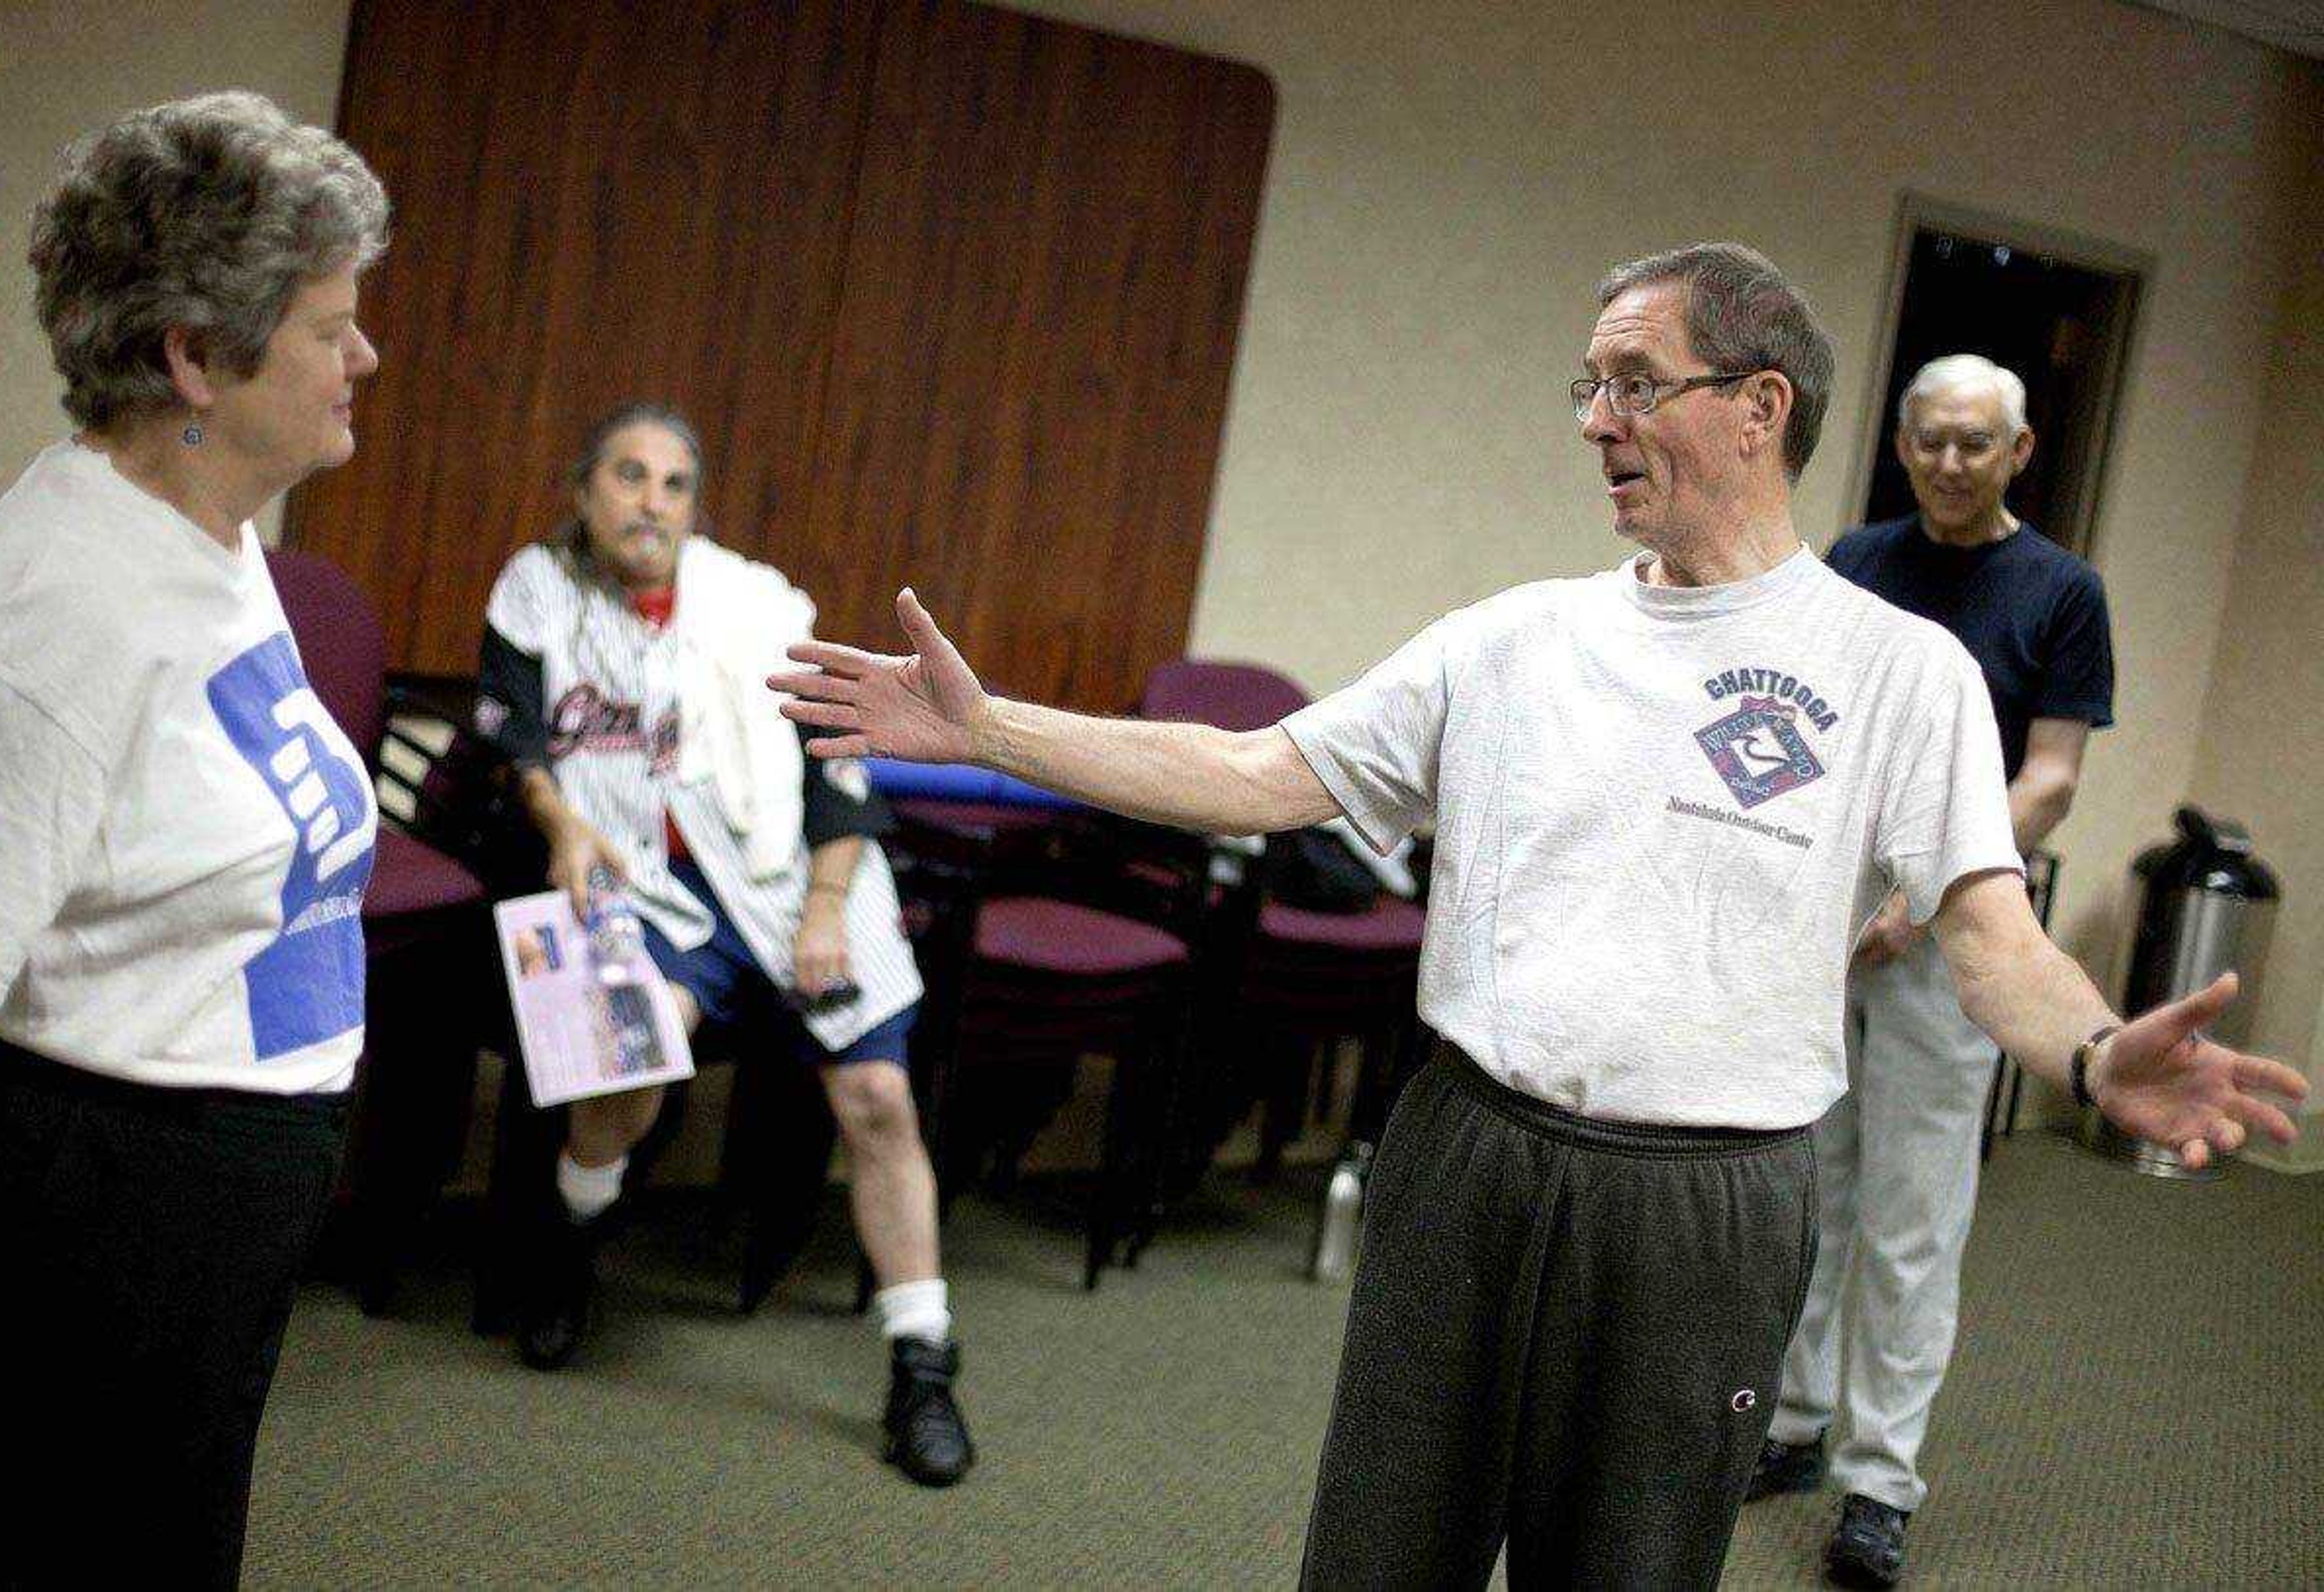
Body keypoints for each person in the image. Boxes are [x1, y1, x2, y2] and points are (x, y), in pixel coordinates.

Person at [767, 244, 2306, 1585]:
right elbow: (1252, 768)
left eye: (1634, 381)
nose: (1597, 420)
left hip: (1705, 1205)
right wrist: (992, 731)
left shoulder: (1903, 673)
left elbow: (1989, 933)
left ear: (1759, 405)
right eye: (1586, 384)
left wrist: (2099, 1055)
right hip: (1471, 1154)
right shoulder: (1515, 641)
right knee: (1381, 1554)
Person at [0, 92, 387, 1588]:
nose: (366, 357)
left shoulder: (218, 533)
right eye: (331, 326)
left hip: (218, 1189)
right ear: (195, 358)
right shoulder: (56, 607)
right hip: (103, 1210)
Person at [473, 401, 975, 1486]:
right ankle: (571, 1240)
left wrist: (828, 908)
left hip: (793, 878)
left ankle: (922, 1363)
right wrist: (562, 826)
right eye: (628, 475)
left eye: (673, 484)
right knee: (625, 1062)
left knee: (879, 1099)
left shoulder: (755, 609)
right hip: (640, 885)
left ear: (693, 509)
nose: (649, 501)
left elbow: (843, 777)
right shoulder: (537, 592)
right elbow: (512, 738)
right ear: (584, 489)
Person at [1746, 354, 2115, 1587]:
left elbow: (2051, 775)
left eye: (1976, 442)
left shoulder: (2061, 591)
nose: (1950, 461)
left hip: (1953, 937)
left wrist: (1930, 885)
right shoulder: (1855, 561)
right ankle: (1794, 1426)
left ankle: (1881, 1477)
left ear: (2018, 451)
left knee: (1911, 1213)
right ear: (1902, 445)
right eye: (1930, 440)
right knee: (1810, 1187)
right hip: (1829, 926)